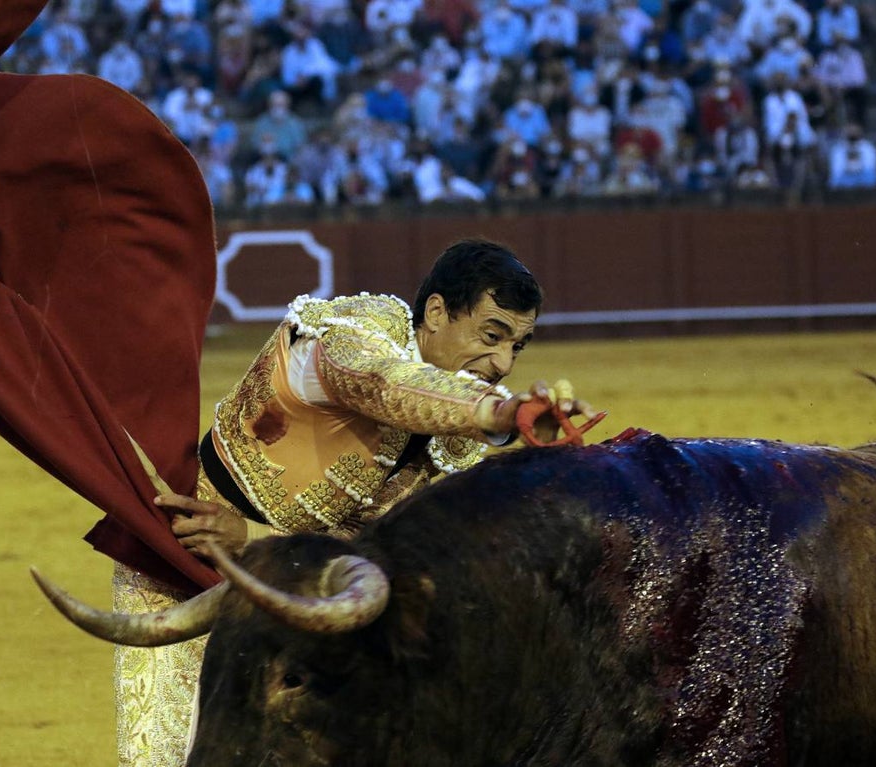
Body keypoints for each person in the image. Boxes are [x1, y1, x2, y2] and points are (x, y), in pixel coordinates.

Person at [111, 240, 594, 764]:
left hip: (310, 607)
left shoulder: (462, 440)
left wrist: (251, 541)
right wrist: (500, 415)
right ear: (435, 313)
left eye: (517, 347)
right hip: (188, 564)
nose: (502, 362)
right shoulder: (350, 335)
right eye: (491, 335)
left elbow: (382, 555)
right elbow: (386, 387)